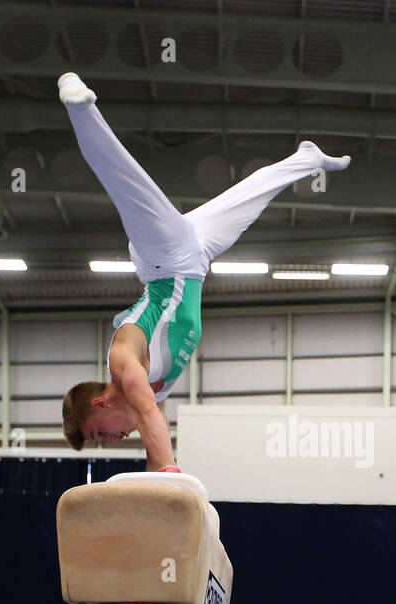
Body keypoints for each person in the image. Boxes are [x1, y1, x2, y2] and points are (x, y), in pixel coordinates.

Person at [56, 71, 351, 470]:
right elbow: (154, 430)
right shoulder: (151, 393)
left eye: (97, 434)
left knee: (123, 181)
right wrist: (160, 489)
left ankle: (79, 107)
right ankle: (307, 158)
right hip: (195, 261)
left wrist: (170, 476)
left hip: (163, 257)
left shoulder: (124, 363)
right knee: (248, 199)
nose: (109, 442)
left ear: (101, 402)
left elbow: (148, 422)